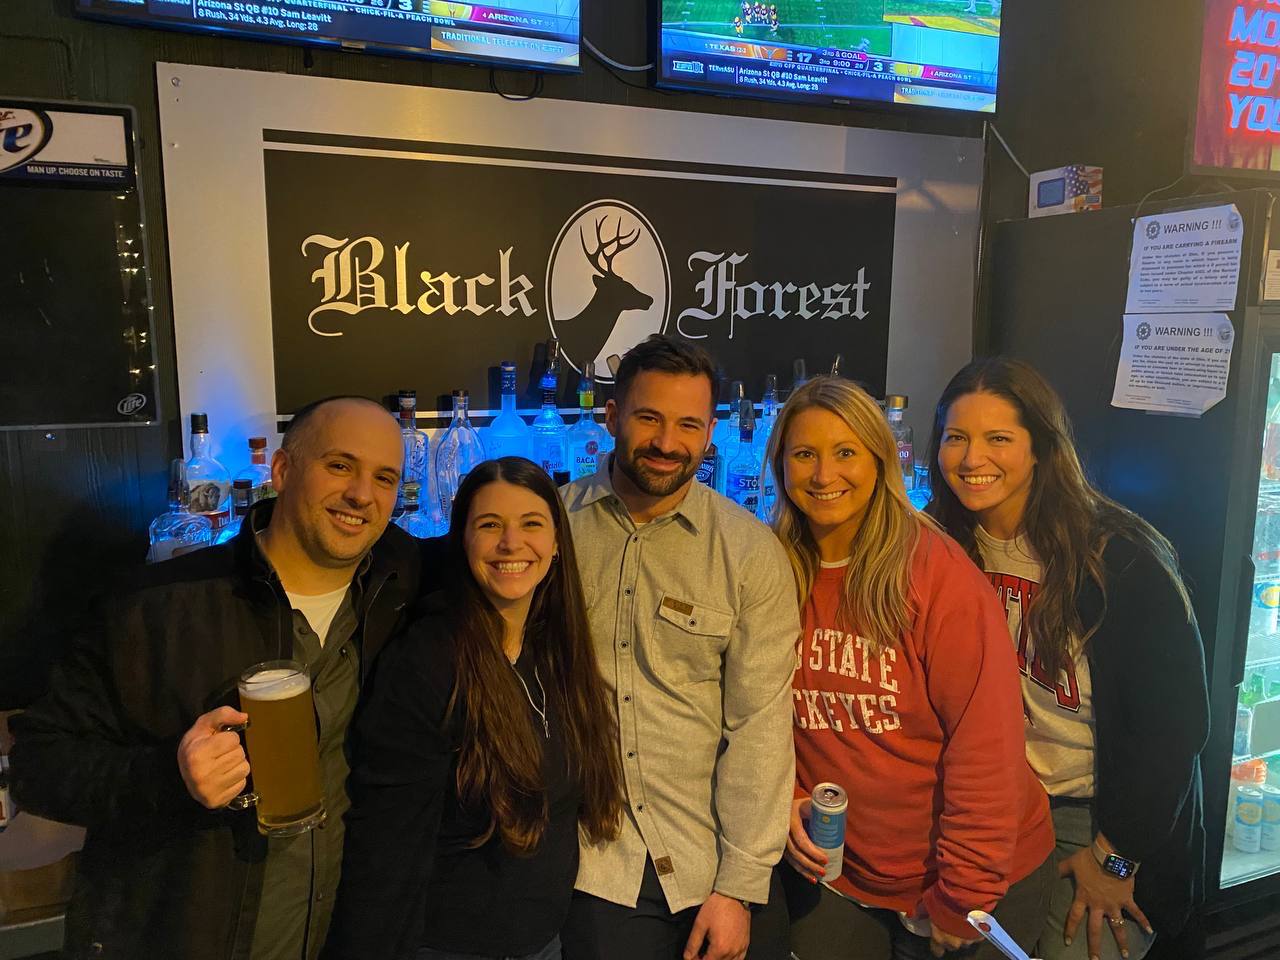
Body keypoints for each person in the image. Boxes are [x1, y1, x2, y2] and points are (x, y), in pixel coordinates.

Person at [9, 396, 435, 960]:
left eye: (385, 478)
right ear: (281, 471)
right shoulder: (155, 607)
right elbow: (39, 764)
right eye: (339, 465)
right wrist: (169, 776)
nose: (362, 494)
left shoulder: (401, 591)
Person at [926, 358, 1208, 960]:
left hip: (1096, 816)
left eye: (998, 438)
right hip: (991, 808)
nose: (973, 459)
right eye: (957, 438)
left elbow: (1175, 730)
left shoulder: (1119, 558)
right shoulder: (937, 545)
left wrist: (1115, 855)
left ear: (1040, 449)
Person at [771, 376, 1055, 960]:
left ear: (882, 462)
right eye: (805, 454)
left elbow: (987, 747)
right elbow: (757, 717)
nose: (825, 476)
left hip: (972, 879)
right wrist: (790, 797)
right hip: (845, 872)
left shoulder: (936, 573)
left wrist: (966, 892)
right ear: (779, 464)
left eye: (846, 452)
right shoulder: (771, 570)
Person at [324, 457, 624, 960]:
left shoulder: (556, 652)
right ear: (460, 540)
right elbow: (385, 842)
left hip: (544, 942)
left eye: (532, 524)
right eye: (489, 525)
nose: (511, 543)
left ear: (556, 544)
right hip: (448, 946)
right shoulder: (427, 660)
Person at [559, 336, 800, 960]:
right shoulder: (553, 529)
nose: (668, 442)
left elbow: (761, 727)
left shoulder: (748, 552)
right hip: (594, 867)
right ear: (611, 416)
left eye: (688, 424)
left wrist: (739, 888)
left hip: (709, 862)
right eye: (649, 418)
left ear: (710, 431)